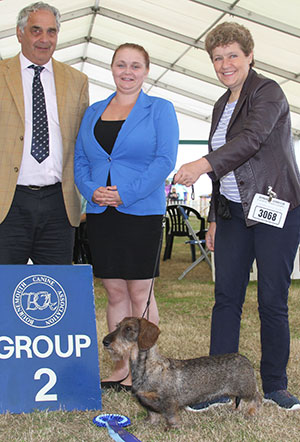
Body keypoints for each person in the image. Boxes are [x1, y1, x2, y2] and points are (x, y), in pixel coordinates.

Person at [174, 22, 300, 411]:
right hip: (230, 215)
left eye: (232, 55)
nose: (225, 64)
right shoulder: (219, 104)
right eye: (217, 58)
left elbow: (251, 141)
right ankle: (216, 387)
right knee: (225, 299)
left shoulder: (269, 93)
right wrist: (213, 217)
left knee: (271, 300)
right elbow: (228, 171)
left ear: (249, 56)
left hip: (276, 210)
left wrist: (201, 163)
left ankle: (275, 384)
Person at [74, 43, 179, 390]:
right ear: (112, 68)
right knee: (114, 292)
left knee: (140, 293)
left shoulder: (159, 109)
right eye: (121, 64)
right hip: (102, 213)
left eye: (136, 65)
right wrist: (92, 190)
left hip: (140, 211)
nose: (128, 71)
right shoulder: (93, 112)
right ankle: (122, 368)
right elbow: (81, 161)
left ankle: (147, 370)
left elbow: (164, 160)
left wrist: (126, 192)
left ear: (146, 70)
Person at [0, 2, 89, 264]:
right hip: (8, 202)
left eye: (51, 32)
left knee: (55, 291)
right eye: (36, 30)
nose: (44, 39)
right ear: (20, 33)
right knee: (3, 292)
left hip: (58, 203)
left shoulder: (76, 80)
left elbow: (84, 143)